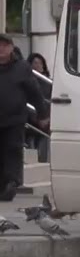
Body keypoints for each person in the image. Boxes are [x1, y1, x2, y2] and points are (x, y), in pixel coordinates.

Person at [0, 34, 49, 200]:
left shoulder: (22, 68)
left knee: (13, 150)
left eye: (5, 45)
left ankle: (12, 183)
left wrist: (42, 114)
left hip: (15, 119)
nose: (1, 49)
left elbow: (35, 93)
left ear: (11, 48)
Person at [24, 53, 52, 163]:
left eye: (40, 63)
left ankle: (43, 159)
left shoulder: (47, 82)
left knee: (46, 130)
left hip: (44, 117)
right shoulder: (28, 81)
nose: (38, 65)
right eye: (35, 63)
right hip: (30, 117)